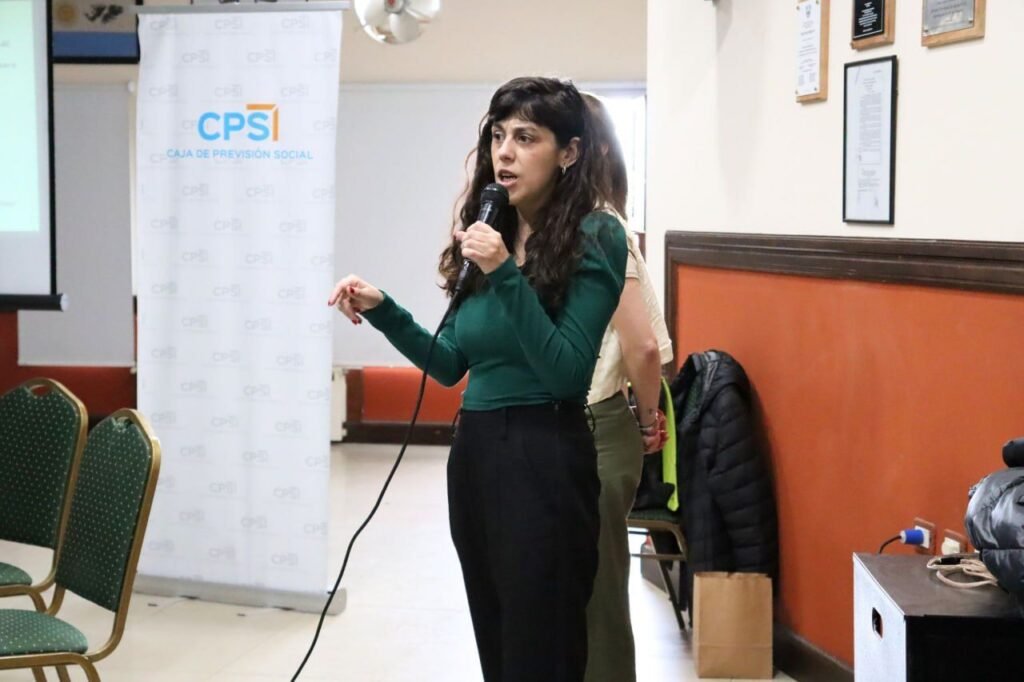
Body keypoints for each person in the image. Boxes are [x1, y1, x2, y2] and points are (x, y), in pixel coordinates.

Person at [328, 77, 628, 682]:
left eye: (526, 138)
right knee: (496, 636)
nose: (505, 153)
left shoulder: (597, 236)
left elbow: (566, 372)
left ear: (568, 152)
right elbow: (450, 365)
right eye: (497, 136)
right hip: (476, 453)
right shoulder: (491, 231)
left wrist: (504, 272)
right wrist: (384, 310)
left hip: (546, 453)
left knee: (541, 647)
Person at [581, 93, 674, 682]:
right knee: (583, 594)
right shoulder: (555, 226)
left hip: (597, 426)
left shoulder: (600, 228)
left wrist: (643, 421)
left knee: (598, 601)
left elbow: (641, 348)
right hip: (582, 425)